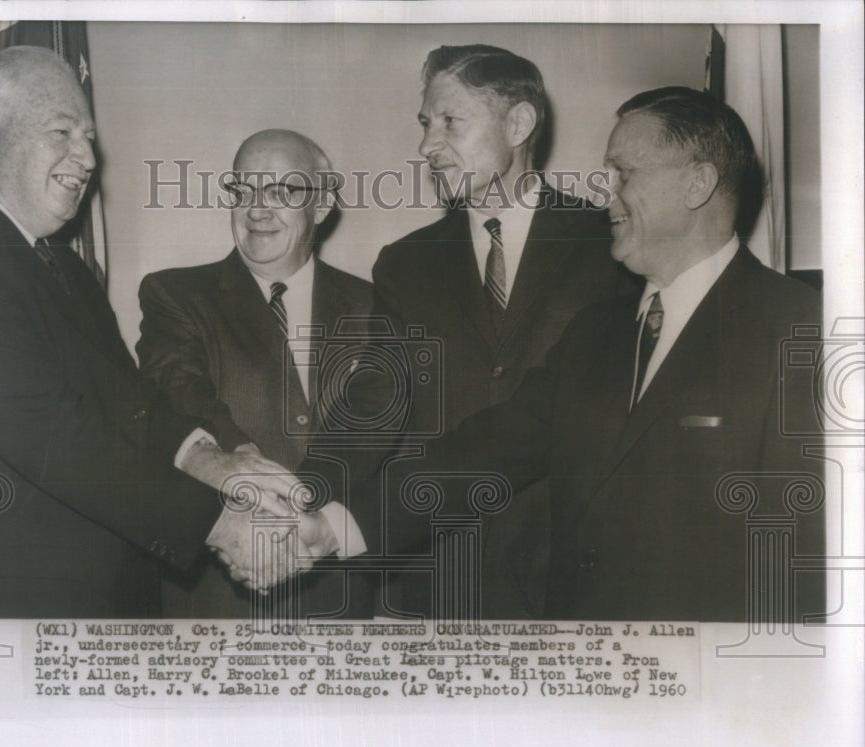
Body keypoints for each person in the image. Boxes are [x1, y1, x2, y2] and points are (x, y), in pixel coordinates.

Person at [257, 86, 825, 622]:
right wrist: (333, 528)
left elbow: (807, 562)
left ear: (696, 184)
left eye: (623, 174)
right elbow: (483, 452)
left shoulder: (804, 331)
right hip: (578, 666)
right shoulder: (596, 334)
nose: (606, 194)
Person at [0, 47, 331, 618]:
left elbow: (132, 405)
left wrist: (216, 463)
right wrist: (221, 524)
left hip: (93, 609)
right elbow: (53, 435)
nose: (89, 158)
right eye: (62, 132)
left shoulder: (66, 268)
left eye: (89, 138)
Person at [368, 44, 636, 619]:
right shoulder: (402, 264)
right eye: (424, 123)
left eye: (450, 121)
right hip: (437, 579)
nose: (426, 145)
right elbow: (372, 410)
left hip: (575, 578)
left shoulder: (610, 245)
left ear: (518, 124)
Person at [137, 129, 375, 618]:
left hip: (341, 602)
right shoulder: (175, 295)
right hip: (218, 600)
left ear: (322, 204)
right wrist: (246, 472)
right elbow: (181, 396)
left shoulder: (375, 305)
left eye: (281, 191)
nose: (257, 210)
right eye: (243, 190)